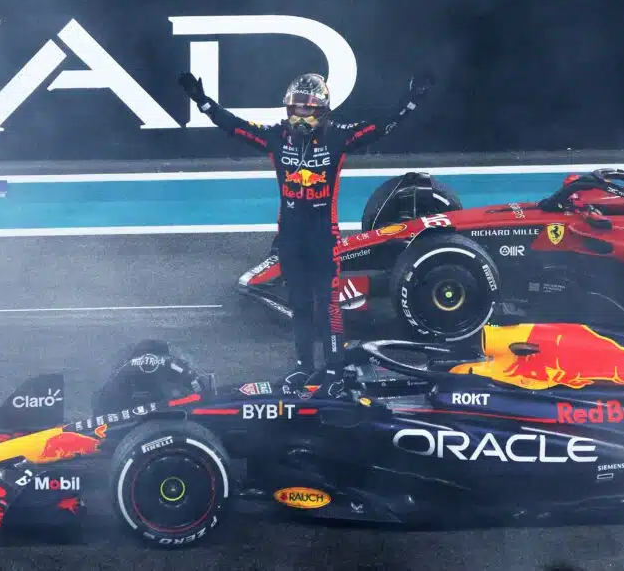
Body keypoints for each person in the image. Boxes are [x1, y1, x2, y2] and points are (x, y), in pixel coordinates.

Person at [178, 70, 434, 389]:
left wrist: (409, 102)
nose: (300, 116)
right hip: (290, 236)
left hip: (323, 235)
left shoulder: (338, 137)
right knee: (298, 303)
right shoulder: (276, 136)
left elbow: (379, 127)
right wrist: (204, 103)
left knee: (328, 304)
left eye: (307, 109)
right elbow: (236, 127)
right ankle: (303, 367)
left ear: (322, 110)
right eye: (296, 109)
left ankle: (334, 368)